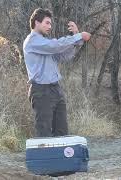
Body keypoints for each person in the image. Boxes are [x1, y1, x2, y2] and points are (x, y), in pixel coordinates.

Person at [23, 8, 91, 137]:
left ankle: (58, 157)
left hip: (56, 89)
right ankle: (43, 157)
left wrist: (77, 40)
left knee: (62, 132)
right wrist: (78, 36)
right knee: (44, 133)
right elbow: (55, 46)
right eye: (47, 23)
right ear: (37, 23)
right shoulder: (32, 41)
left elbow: (63, 56)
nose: (50, 26)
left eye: (50, 23)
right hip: (41, 91)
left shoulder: (45, 43)